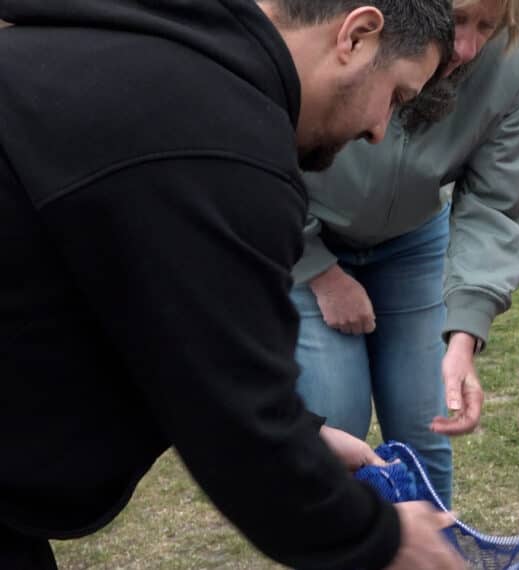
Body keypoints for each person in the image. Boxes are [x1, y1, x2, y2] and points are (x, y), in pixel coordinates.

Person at [0, 1, 468, 569]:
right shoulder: (220, 144)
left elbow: (181, 346)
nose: (377, 131)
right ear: (358, 36)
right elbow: (240, 430)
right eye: (395, 97)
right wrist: (385, 540)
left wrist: (305, 434)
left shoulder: (148, 58)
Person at [291, 0, 519, 509]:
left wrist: (465, 329)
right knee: (334, 419)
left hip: (411, 242)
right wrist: (318, 269)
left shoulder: (512, 63)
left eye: (487, 27)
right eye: (457, 19)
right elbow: (258, 152)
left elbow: (499, 199)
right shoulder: (333, 32)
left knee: (426, 427)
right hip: (297, 235)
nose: (467, 47)